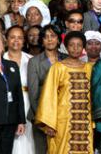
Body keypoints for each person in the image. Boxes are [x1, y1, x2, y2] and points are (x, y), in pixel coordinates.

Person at [35, 31, 95, 154]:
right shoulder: (58, 67)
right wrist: (49, 123)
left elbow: (94, 96)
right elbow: (49, 95)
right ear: (66, 47)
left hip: (85, 120)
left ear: (83, 48)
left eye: (79, 45)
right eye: (72, 45)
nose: (75, 48)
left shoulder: (89, 68)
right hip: (63, 121)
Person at [27, 25, 67, 154]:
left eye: (53, 36)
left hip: (64, 117)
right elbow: (33, 95)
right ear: (42, 41)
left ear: (58, 39)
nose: (50, 40)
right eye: (46, 37)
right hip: (41, 117)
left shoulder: (67, 59)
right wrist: (45, 123)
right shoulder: (34, 62)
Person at [3, 26, 35, 154]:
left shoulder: (31, 59)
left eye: (20, 38)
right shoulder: (0, 59)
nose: (16, 40)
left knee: (29, 137)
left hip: (28, 101)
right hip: (7, 102)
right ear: (6, 40)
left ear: (24, 41)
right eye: (12, 37)